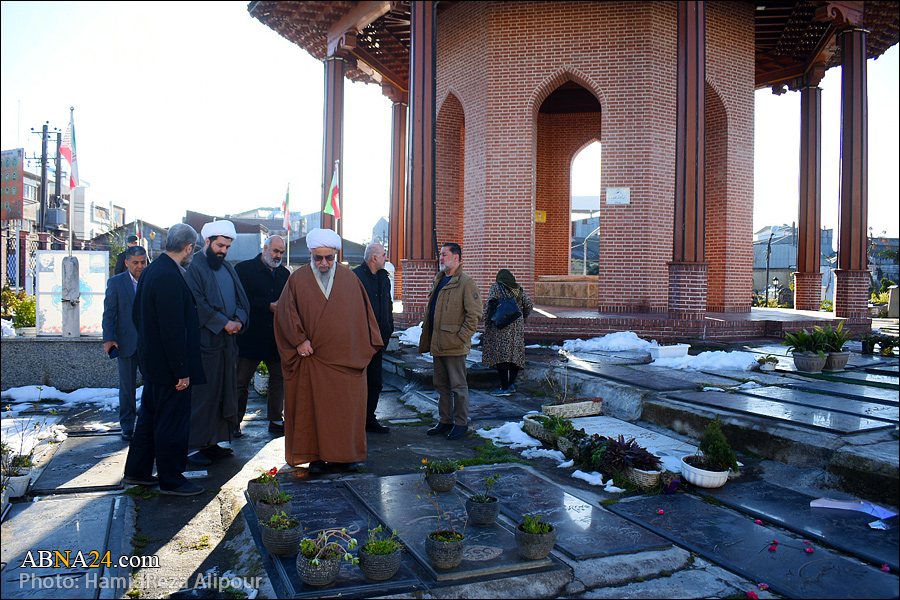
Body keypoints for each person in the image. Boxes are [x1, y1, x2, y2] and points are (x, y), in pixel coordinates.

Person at [274, 228, 383, 474]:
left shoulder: (350, 279)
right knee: (314, 412)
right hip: (311, 361)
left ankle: (345, 457)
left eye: (329, 258)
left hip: (346, 362)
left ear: (336, 254)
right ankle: (316, 458)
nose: (323, 263)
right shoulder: (297, 279)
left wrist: (359, 351)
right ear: (310, 254)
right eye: (318, 258)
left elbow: (364, 319)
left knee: (345, 412)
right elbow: (285, 314)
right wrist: (299, 340)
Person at [122, 223, 206, 496]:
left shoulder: (152, 270)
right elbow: (173, 328)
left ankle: (137, 471)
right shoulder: (169, 275)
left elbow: (138, 316)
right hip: (170, 368)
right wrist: (181, 370)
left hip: (153, 363)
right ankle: (171, 479)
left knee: (149, 419)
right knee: (172, 422)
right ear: (188, 247)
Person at [184, 220, 250, 466]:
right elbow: (196, 302)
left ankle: (212, 442)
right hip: (206, 345)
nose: (223, 251)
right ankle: (192, 447)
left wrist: (239, 319)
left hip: (227, 345)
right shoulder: (194, 266)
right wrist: (223, 323)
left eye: (227, 247)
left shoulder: (228, 268)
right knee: (203, 396)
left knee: (224, 393)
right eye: (220, 245)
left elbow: (243, 300)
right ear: (207, 242)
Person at [418, 242, 483, 440]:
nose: (441, 258)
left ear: (456, 257)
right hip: (438, 344)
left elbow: (475, 314)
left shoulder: (466, 282)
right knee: (441, 385)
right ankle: (445, 420)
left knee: (458, 386)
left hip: (454, 345)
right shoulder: (439, 280)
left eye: (445, 254)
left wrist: (461, 337)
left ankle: (461, 423)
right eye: (441, 254)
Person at [234, 235, 290, 436]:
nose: (278, 256)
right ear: (265, 248)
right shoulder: (244, 269)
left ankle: (276, 419)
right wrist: (267, 306)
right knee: (240, 382)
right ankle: (234, 423)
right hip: (250, 336)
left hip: (276, 337)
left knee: (279, 379)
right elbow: (239, 299)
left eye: (282, 252)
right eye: (276, 251)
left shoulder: (284, 274)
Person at [102, 245, 148, 440]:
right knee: (127, 387)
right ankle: (127, 424)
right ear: (127, 262)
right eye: (135, 262)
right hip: (125, 342)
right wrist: (109, 339)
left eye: (143, 262)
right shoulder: (116, 283)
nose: (140, 266)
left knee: (153, 385)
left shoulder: (152, 279)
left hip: (150, 343)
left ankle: (147, 419)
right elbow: (109, 313)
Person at [353, 242, 394, 434]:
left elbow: (388, 304)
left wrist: (389, 327)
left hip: (379, 340)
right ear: (374, 257)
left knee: (375, 383)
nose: (387, 258)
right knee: (357, 383)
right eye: (384, 254)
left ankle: (369, 418)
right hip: (360, 341)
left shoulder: (384, 278)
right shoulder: (355, 277)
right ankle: (355, 420)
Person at [482, 269, 533, 396]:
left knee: (502, 357)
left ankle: (504, 388)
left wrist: (487, 321)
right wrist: (522, 315)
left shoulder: (496, 287)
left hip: (502, 325)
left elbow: (490, 305)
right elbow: (529, 304)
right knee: (514, 356)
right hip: (517, 326)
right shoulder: (517, 288)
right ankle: (511, 385)